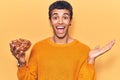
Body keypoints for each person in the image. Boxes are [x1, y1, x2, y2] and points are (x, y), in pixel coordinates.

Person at [9, 1, 115, 80]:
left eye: (65, 17)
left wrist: (90, 60)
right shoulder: (38, 48)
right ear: (50, 21)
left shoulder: (84, 50)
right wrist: (21, 63)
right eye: (55, 17)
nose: (60, 22)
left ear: (70, 21)